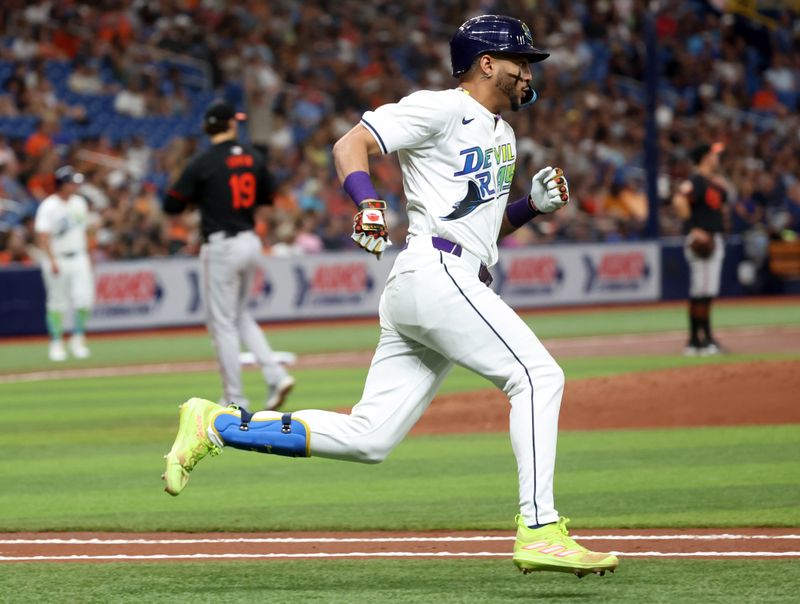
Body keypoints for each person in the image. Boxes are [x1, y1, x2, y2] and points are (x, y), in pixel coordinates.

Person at [163, 16, 618, 578]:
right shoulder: (442, 107)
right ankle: (541, 528)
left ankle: (217, 424)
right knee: (537, 377)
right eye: (519, 60)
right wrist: (366, 202)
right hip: (435, 271)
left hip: (442, 276)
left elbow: (481, 230)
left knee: (368, 437)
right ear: (486, 63)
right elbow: (350, 143)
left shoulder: (503, 133)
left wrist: (532, 208)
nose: (529, 71)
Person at [163, 100, 294, 412]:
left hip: (222, 245)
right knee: (240, 315)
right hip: (250, 239)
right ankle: (275, 374)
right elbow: (267, 196)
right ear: (230, 125)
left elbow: (171, 205)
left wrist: (200, 198)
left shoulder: (202, 162)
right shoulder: (253, 156)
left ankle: (234, 398)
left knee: (222, 323)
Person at [672, 142, 729, 356]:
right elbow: (679, 200)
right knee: (702, 293)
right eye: (714, 155)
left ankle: (700, 340)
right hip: (702, 240)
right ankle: (700, 341)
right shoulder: (696, 180)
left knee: (705, 292)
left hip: (713, 238)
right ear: (705, 157)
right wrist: (692, 228)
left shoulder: (712, 182)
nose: (717, 159)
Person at [34, 165, 94, 361]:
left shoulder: (79, 203)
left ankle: (78, 339)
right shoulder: (49, 206)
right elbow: (43, 236)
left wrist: (89, 254)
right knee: (56, 302)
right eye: (71, 182)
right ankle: (56, 342)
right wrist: (51, 260)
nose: (75, 186)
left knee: (84, 299)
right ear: (62, 184)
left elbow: (84, 231)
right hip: (57, 257)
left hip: (79, 256)